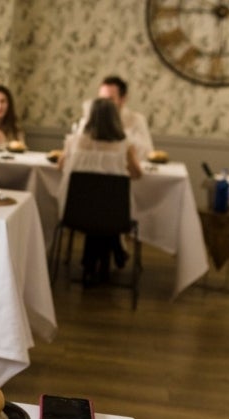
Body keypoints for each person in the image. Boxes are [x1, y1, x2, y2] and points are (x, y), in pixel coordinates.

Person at [58, 97, 143, 286]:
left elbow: (60, 166)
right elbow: (137, 174)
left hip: (76, 211)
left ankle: (90, 263)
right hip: (113, 215)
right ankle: (111, 255)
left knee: (94, 207)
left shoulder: (74, 142)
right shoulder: (125, 146)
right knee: (106, 207)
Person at [75, 75, 153, 164]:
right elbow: (77, 151)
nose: (104, 104)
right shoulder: (88, 121)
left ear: (123, 99)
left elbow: (147, 153)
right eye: (102, 99)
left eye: (109, 100)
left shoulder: (137, 120)